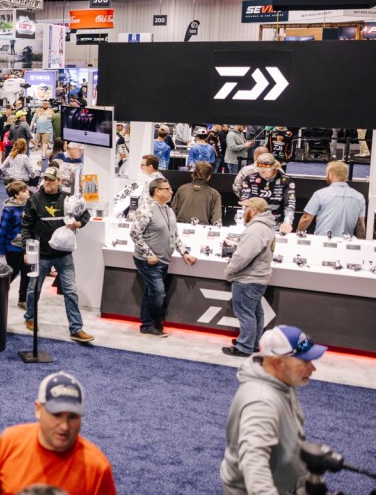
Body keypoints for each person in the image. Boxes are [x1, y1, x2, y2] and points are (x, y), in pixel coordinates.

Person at [220, 325, 327, 495]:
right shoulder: (261, 402)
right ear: (278, 363)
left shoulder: (282, 382)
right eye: (305, 362)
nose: (312, 369)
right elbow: (254, 461)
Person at [0, 372, 117, 495]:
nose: (64, 426)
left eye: (73, 417)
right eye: (56, 415)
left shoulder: (97, 468)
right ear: (38, 409)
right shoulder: (10, 440)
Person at [19, 168, 94, 343]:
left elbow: (85, 213)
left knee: (71, 291)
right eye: (45, 179)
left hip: (64, 255)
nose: (47, 182)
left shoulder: (68, 198)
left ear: (59, 181)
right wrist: (26, 250)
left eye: (51, 179)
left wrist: (79, 223)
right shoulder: (34, 199)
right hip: (41, 255)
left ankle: (76, 328)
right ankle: (30, 317)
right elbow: (25, 226)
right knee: (33, 289)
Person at [129, 178, 198, 338]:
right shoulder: (146, 208)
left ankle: (147, 325)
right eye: (167, 189)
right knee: (158, 292)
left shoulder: (168, 210)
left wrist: (184, 252)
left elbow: (174, 235)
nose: (171, 192)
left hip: (163, 260)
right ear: (157, 191)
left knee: (152, 292)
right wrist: (148, 254)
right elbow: (135, 233)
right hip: (149, 261)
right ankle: (155, 325)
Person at [222, 198, 276, 358]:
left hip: (248, 279)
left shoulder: (256, 230)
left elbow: (242, 256)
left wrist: (229, 271)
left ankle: (244, 346)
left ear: (253, 210)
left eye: (245, 208)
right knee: (255, 312)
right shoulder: (266, 227)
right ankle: (252, 343)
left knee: (245, 313)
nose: (243, 211)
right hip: (258, 278)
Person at [297, 160, 366, 238]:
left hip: (322, 241)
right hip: (346, 243)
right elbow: (360, 225)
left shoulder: (320, 194)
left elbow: (306, 218)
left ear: (330, 175)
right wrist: (362, 242)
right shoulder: (359, 197)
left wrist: (297, 233)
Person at [240, 153, 295, 234]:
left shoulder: (285, 180)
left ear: (274, 167)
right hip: (253, 224)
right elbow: (246, 201)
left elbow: (290, 203)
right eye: (260, 168)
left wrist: (287, 222)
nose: (262, 172)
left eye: (266, 169)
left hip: (276, 225)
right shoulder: (250, 179)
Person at [0, 180, 31, 310]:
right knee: (11, 274)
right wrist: (1, 249)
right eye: (24, 191)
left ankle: (22, 300)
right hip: (12, 248)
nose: (27, 192)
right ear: (16, 195)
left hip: (27, 247)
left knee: (27, 274)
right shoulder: (9, 210)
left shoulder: (29, 206)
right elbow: (3, 230)